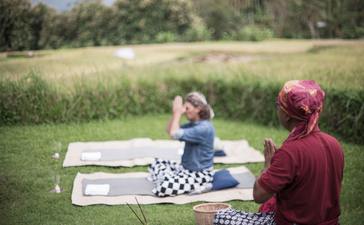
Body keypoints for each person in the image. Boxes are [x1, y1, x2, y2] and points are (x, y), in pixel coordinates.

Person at [214, 80, 344, 225]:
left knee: (222, 216)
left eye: (279, 106)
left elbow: (258, 195)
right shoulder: (334, 144)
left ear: (287, 115)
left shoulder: (290, 152)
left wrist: (268, 165)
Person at [147, 91, 216, 197]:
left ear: (197, 109)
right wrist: (175, 114)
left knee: (164, 188)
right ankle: (174, 180)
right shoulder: (194, 124)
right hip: (185, 169)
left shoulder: (204, 128)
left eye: (187, 108)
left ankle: (200, 185)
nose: (184, 111)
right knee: (156, 163)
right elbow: (169, 129)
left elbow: (174, 134)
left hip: (200, 174)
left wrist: (178, 114)